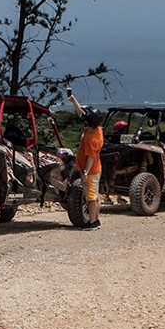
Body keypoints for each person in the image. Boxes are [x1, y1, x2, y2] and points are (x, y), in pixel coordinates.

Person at [67, 88, 103, 229]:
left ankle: (92, 222)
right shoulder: (96, 129)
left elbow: (90, 157)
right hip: (96, 169)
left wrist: (85, 173)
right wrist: (73, 100)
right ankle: (96, 219)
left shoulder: (91, 138)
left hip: (91, 170)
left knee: (91, 197)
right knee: (95, 195)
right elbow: (82, 113)